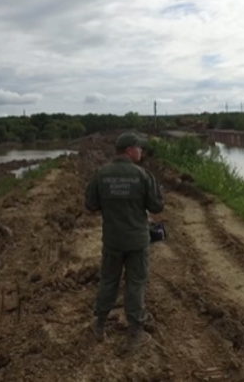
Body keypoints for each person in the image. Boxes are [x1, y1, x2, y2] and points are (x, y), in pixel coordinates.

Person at [84, 132, 164, 352]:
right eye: (139, 148)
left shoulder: (102, 174)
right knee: (135, 283)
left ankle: (99, 325)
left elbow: (90, 204)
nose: (141, 152)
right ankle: (136, 332)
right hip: (137, 241)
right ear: (129, 150)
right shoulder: (142, 175)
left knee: (109, 281)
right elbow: (156, 206)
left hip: (112, 240)